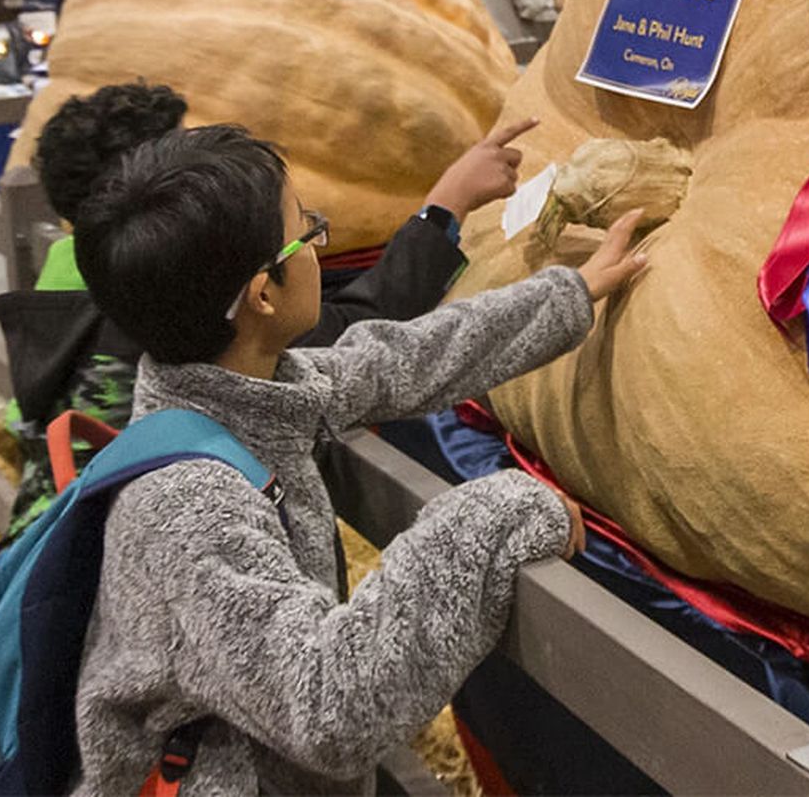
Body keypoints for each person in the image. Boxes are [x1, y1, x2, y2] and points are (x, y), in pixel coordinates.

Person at [70, 124, 644, 795]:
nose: (321, 241)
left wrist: (570, 292)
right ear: (264, 293)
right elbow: (329, 709)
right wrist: (497, 507)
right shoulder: (189, 508)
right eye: (307, 231)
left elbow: (396, 359)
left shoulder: (248, 389)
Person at [0, 80, 531, 552]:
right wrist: (447, 203)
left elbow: (370, 365)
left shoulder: (83, 285)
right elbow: (357, 325)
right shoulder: (201, 323)